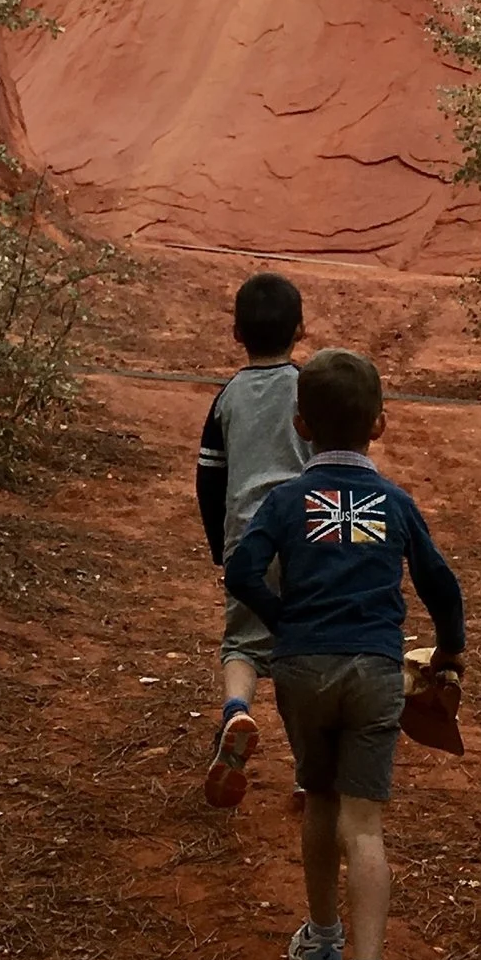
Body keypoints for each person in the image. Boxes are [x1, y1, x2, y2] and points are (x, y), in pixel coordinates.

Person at [224, 346, 466, 960]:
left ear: (300, 423)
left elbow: (242, 570)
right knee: (364, 821)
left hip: (301, 669)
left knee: (318, 796)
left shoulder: (286, 499)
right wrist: (449, 651)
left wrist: (283, 623)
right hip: (375, 669)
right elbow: (441, 584)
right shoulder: (395, 501)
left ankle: (322, 943)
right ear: (380, 425)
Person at [194, 269, 306, 808]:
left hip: (248, 538)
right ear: (300, 331)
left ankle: (237, 710)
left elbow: (209, 476)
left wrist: (222, 544)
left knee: (241, 641)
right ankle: (310, 769)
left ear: (236, 333)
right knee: (302, 646)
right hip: (310, 537)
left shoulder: (228, 398)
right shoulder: (312, 389)